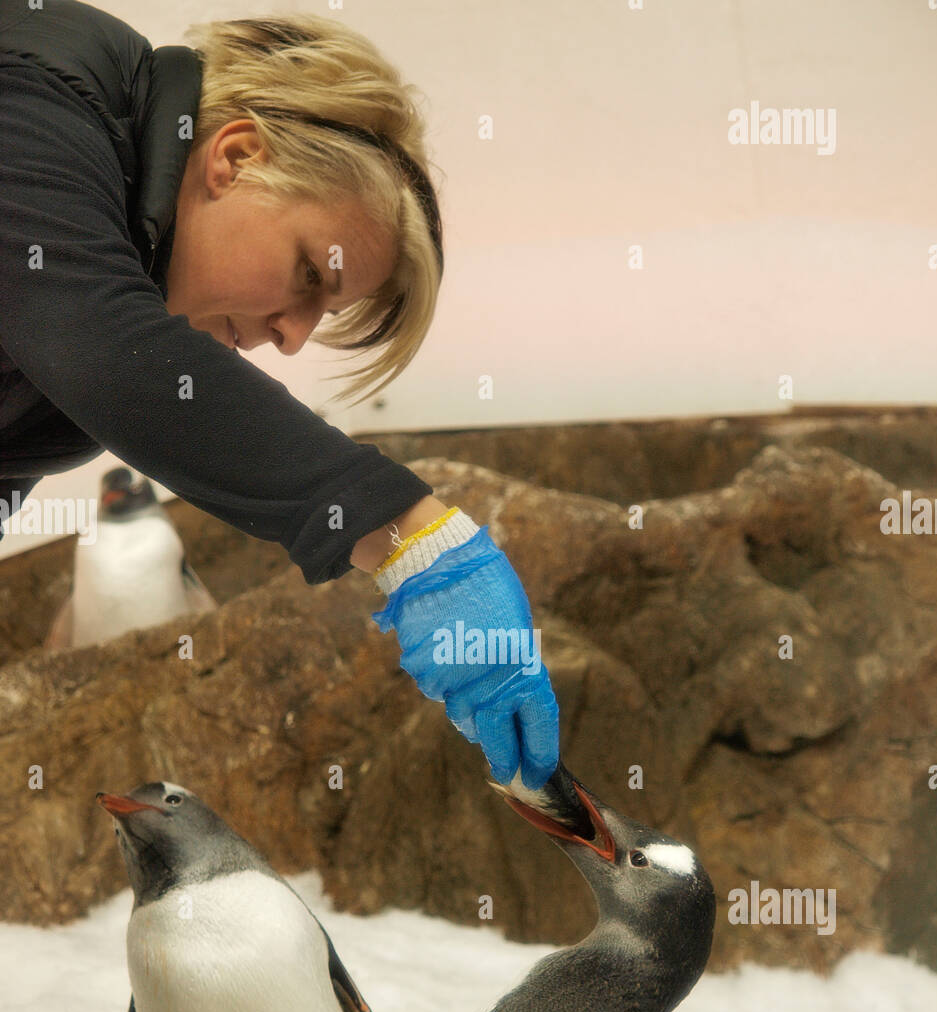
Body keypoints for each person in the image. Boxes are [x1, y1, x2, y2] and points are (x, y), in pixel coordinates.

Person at [0, 2, 559, 789]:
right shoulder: (44, 81)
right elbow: (90, 329)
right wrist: (413, 538)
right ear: (235, 156)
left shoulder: (69, 405)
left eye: (321, 315)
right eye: (310, 277)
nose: (292, 338)